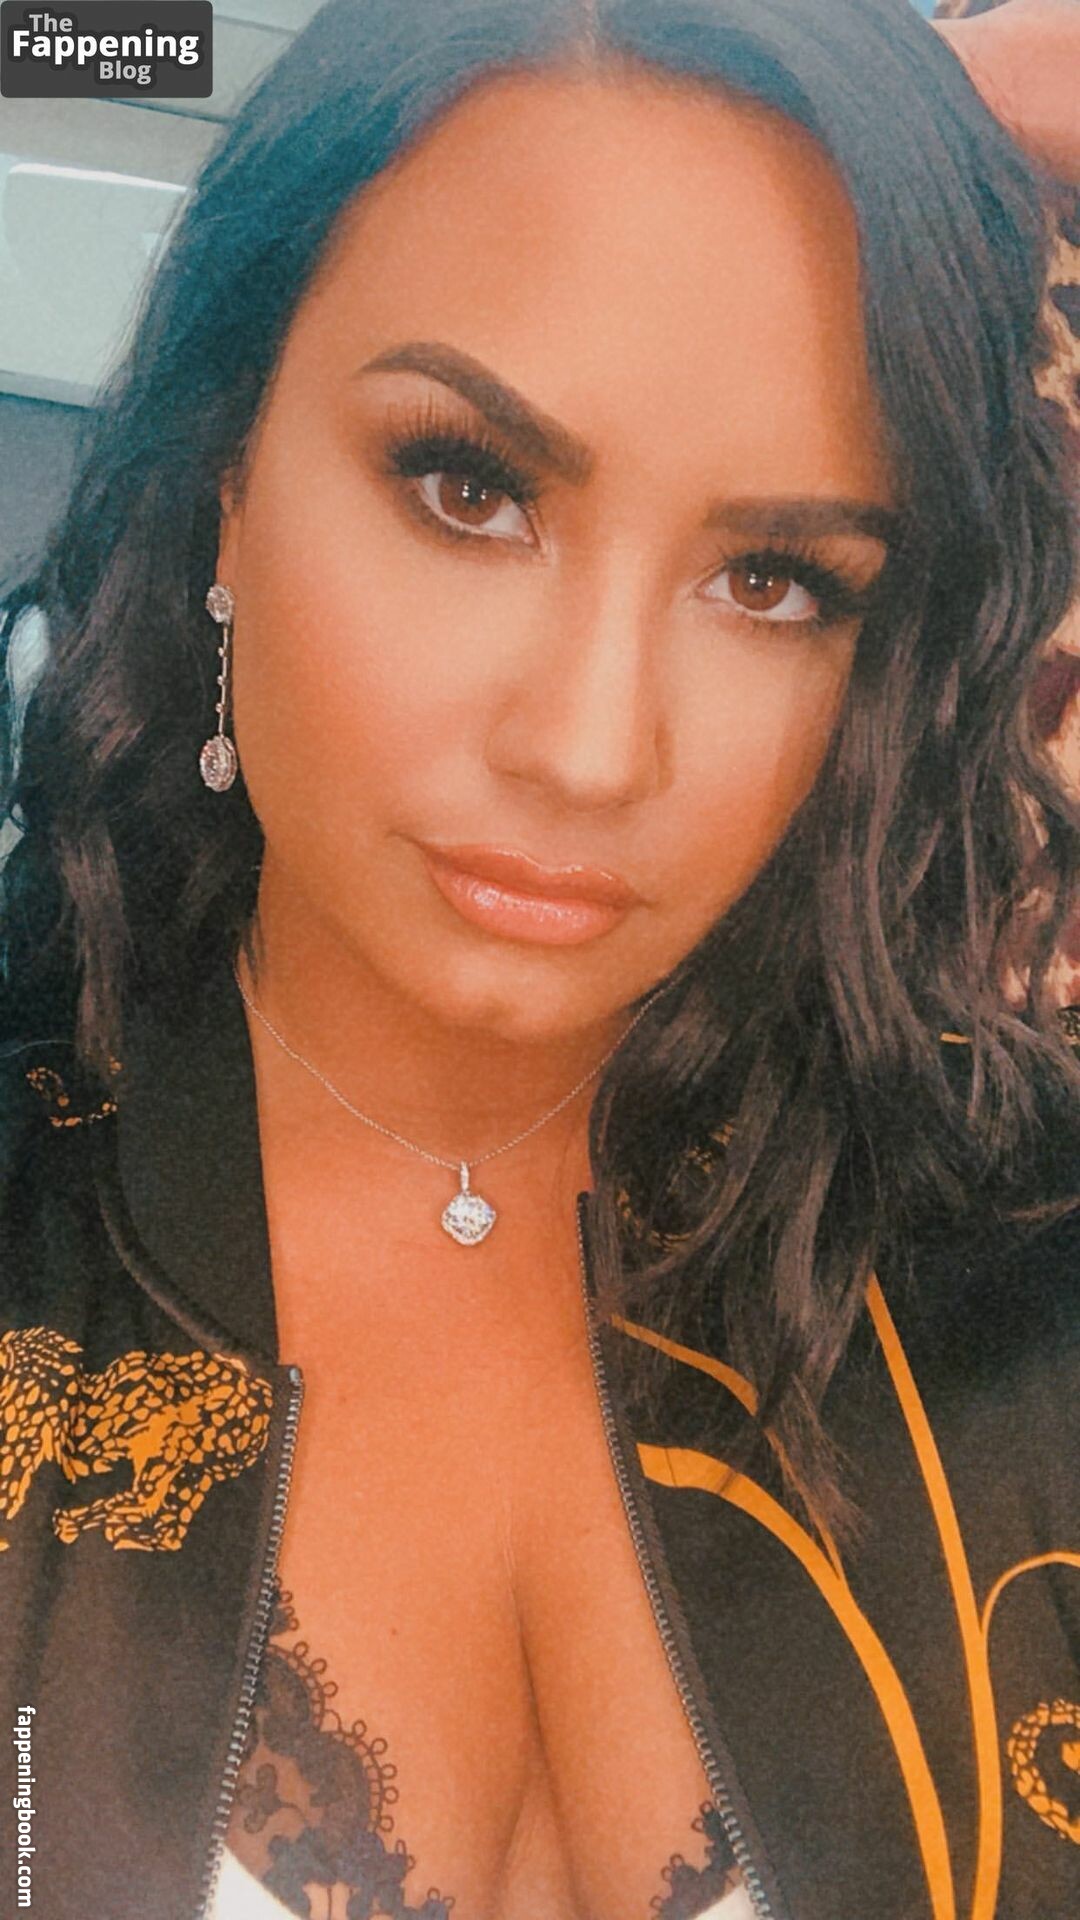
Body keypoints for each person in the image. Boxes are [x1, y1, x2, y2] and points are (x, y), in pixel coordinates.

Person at [0, 2, 1078, 1917]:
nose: (592, 749)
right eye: (469, 487)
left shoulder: (1025, 1250)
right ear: (225, 467)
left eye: (771, 581)